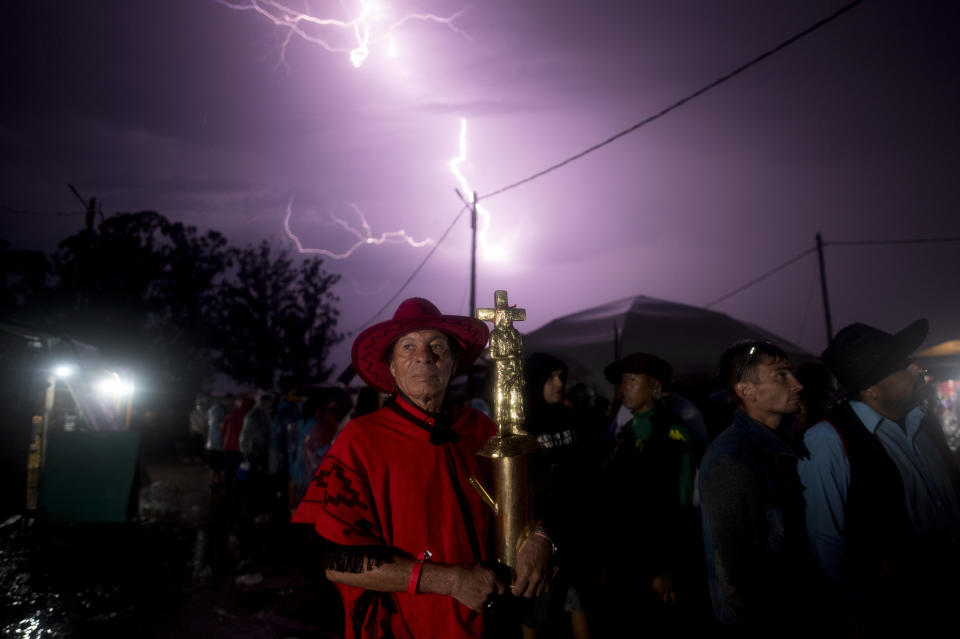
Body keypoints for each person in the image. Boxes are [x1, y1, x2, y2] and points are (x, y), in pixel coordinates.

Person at [290, 298, 553, 639]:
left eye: (437, 346)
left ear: (453, 362)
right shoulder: (360, 440)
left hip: (491, 622)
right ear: (392, 367)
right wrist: (448, 580)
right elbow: (336, 561)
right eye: (409, 346)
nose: (425, 356)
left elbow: (536, 497)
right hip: (405, 626)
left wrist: (542, 537)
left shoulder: (481, 428)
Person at [798, 320, 960, 634]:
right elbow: (825, 542)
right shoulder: (828, 440)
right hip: (896, 611)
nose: (915, 369)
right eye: (901, 365)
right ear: (871, 389)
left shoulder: (924, 423)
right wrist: (853, 608)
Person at [699, 340, 813, 636]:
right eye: (780, 375)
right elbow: (734, 574)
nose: (797, 384)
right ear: (746, 391)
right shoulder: (732, 457)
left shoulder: (784, 444)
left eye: (791, 373)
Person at [599, 352, 696, 635]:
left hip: (655, 561)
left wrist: (666, 569)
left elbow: (680, 501)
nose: (623, 387)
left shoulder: (673, 431)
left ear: (653, 384)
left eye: (631, 379)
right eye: (622, 381)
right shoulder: (626, 430)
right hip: (624, 558)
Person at [520, 353, 592, 639]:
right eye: (550, 377)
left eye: (561, 376)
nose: (558, 383)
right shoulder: (523, 424)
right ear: (535, 380)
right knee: (534, 612)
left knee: (579, 602)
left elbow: (585, 471)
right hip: (538, 534)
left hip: (575, 529)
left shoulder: (570, 416)